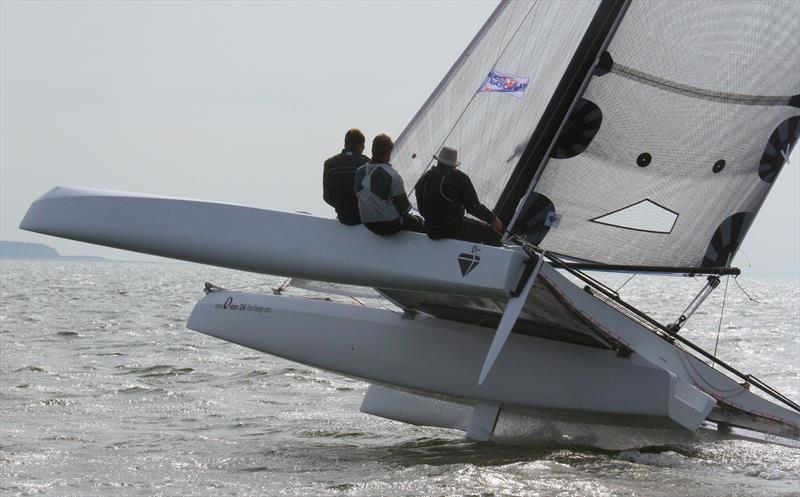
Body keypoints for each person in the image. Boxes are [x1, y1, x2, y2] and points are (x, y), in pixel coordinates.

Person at [416, 146, 503, 246]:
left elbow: (421, 208)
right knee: (489, 233)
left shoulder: (424, 178)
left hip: (431, 229)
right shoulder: (458, 177)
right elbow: (473, 207)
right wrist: (492, 219)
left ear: (438, 160)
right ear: (454, 164)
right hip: (453, 229)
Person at [354, 134, 425, 235]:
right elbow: (404, 207)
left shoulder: (359, 172)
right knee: (419, 223)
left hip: (367, 223)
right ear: (388, 152)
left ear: (373, 150)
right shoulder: (392, 175)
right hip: (389, 225)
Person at [323, 128, 370, 225]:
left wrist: (340, 206)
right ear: (361, 146)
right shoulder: (367, 164)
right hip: (363, 218)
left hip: (342, 216)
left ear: (345, 144)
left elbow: (327, 196)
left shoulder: (329, 164)